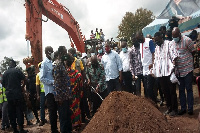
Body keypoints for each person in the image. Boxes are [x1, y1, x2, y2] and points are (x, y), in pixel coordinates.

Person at [153, 32, 179, 116]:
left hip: (169, 72)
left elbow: (174, 56)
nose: (157, 42)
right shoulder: (157, 48)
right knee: (165, 92)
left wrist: (173, 67)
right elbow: (156, 60)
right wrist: (154, 71)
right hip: (161, 74)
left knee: (172, 92)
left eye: (158, 40)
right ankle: (169, 108)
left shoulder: (169, 44)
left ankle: (175, 109)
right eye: (155, 41)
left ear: (161, 37)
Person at [172, 27, 195, 115]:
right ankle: (183, 108)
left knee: (189, 89)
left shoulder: (187, 40)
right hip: (179, 71)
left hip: (188, 69)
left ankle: (190, 108)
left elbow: (192, 51)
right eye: (173, 36)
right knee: (181, 90)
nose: (174, 38)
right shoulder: (172, 43)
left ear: (179, 34)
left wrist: (187, 60)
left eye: (176, 36)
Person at [2, 59, 28, 133]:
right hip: (18, 94)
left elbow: (3, 84)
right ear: (14, 64)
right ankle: (21, 129)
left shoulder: (5, 73)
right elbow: (25, 78)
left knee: (11, 112)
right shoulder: (17, 71)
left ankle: (15, 129)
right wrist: (22, 86)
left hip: (9, 96)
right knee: (19, 111)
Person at [53, 46, 72, 133]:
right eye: (65, 52)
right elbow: (56, 83)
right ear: (60, 53)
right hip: (62, 97)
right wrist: (59, 98)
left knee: (68, 115)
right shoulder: (58, 65)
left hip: (66, 95)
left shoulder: (63, 64)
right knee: (63, 118)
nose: (66, 54)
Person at [40, 46, 58, 133]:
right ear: (47, 52)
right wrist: (52, 82)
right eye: (51, 51)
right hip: (49, 91)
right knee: (52, 111)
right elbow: (42, 78)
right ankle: (54, 130)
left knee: (56, 110)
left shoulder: (53, 62)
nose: (53, 53)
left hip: (55, 90)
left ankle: (56, 128)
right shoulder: (44, 64)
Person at [136, 31, 157, 103]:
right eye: (138, 40)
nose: (139, 41)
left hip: (150, 68)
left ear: (142, 35)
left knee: (149, 88)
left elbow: (153, 53)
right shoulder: (140, 43)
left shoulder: (149, 41)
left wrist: (153, 63)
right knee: (146, 88)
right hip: (144, 69)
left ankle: (154, 102)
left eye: (139, 39)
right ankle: (151, 102)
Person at [64, 53, 83, 129]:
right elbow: (80, 87)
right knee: (76, 109)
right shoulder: (77, 74)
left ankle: (70, 125)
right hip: (75, 96)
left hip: (66, 96)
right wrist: (80, 95)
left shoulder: (64, 74)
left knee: (69, 110)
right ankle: (77, 124)